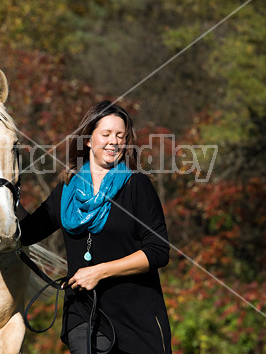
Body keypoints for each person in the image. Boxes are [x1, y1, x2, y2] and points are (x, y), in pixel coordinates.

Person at [20, 100, 172, 353]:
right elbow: (27, 233)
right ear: (89, 140)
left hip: (136, 317)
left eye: (120, 136)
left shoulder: (136, 186)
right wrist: (2, 191)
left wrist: (100, 271)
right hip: (83, 314)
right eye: (106, 134)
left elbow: (158, 251)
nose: (114, 141)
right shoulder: (67, 190)